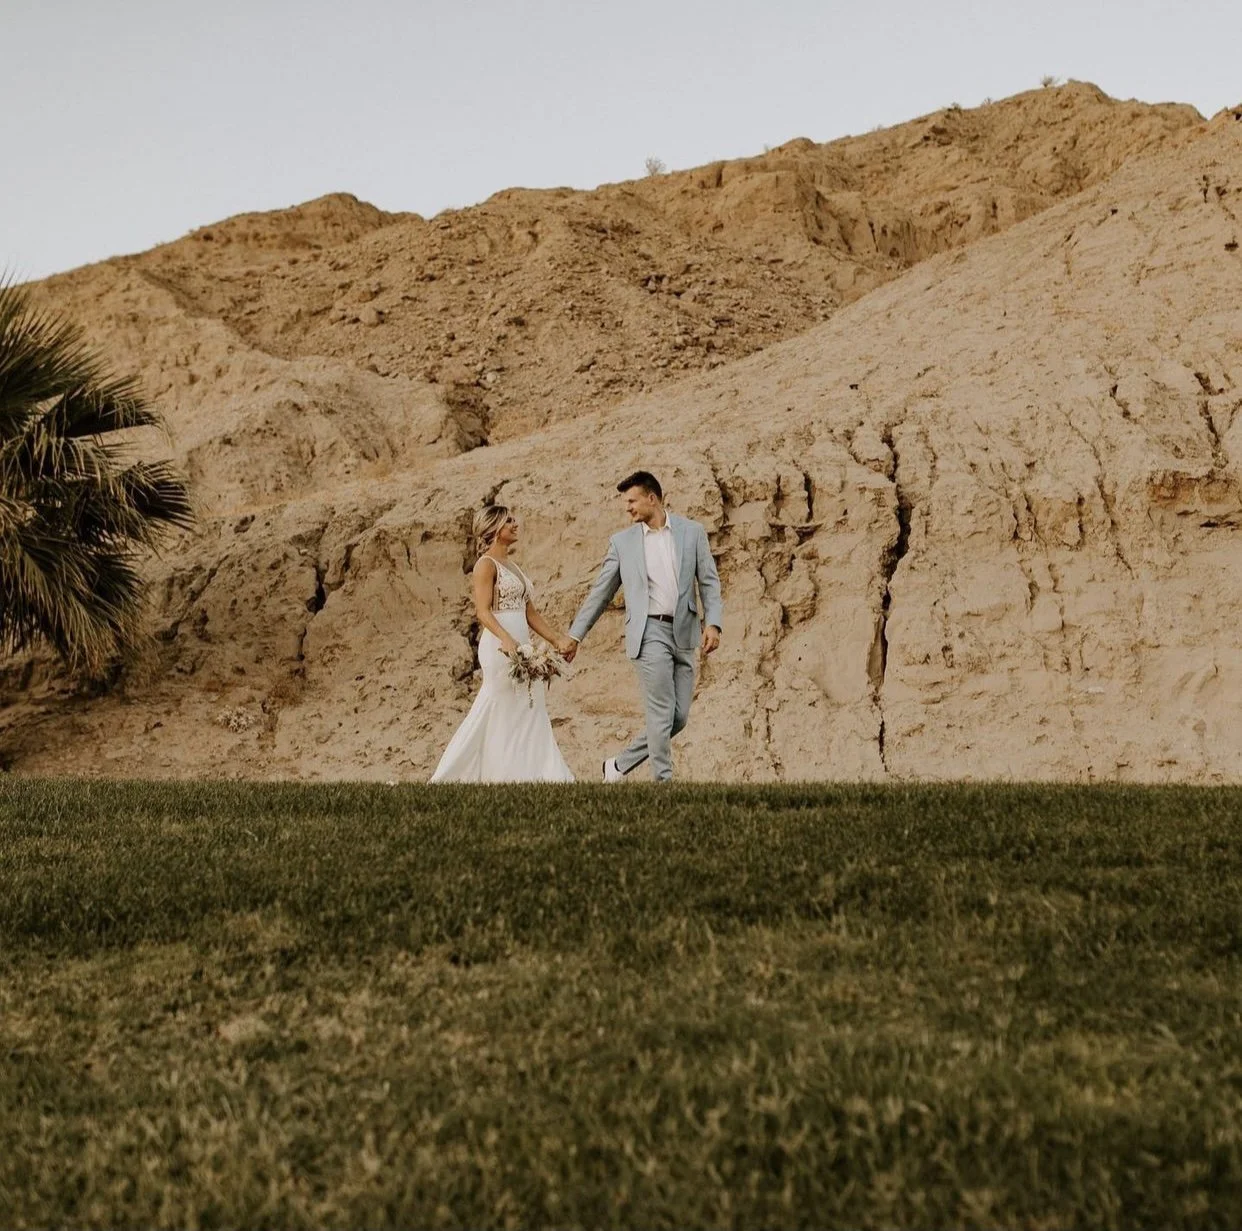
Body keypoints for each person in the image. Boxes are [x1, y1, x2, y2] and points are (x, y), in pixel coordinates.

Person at [565, 471, 722, 782]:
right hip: (648, 633)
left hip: (685, 632)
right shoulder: (622, 543)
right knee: (661, 712)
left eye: (632, 500)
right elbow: (601, 592)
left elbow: (709, 581)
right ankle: (663, 782)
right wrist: (575, 635)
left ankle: (619, 766)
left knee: (678, 718)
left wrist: (713, 623)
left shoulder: (692, 532)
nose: (628, 508)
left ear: (652, 499)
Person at [430, 505, 575, 783]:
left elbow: (529, 612)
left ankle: (539, 772)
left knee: (531, 703)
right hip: (499, 646)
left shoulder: (514, 567)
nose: (515, 524)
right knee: (499, 703)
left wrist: (556, 639)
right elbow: (482, 610)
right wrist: (506, 639)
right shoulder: (485, 565)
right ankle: (466, 772)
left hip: (522, 644)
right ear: (495, 528)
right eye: (508, 521)